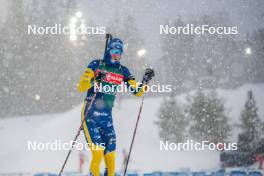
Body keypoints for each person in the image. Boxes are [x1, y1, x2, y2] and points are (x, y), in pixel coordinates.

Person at [77, 37, 154, 176]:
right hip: (90, 114)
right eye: (113, 50)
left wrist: (145, 80)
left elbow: (137, 92)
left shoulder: (123, 70)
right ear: (108, 50)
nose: (116, 54)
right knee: (98, 152)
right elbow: (81, 86)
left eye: (119, 51)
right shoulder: (96, 64)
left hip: (106, 117)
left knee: (111, 159)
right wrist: (95, 80)